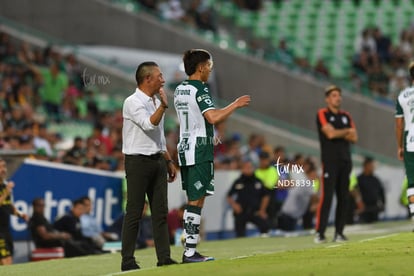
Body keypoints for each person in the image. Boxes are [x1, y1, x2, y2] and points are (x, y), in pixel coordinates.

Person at [174, 49, 251, 263]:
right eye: (209, 66)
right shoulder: (200, 88)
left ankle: (189, 245)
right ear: (200, 67)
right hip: (199, 148)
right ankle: (189, 250)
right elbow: (212, 116)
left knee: (194, 199)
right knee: (196, 200)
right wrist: (235, 104)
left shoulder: (180, 89)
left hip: (185, 146)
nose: (210, 69)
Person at [121, 61, 177, 271]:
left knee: (160, 212)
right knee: (134, 212)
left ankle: (164, 257)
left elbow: (158, 136)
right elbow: (148, 124)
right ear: (147, 79)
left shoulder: (155, 101)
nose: (163, 80)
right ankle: (127, 260)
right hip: (137, 161)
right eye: (159, 76)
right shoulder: (132, 102)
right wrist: (162, 106)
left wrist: (168, 159)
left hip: (157, 160)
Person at [315, 85, 358, 243]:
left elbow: (354, 137)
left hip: (345, 161)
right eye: (334, 95)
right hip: (330, 161)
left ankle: (339, 232)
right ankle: (320, 233)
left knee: (344, 197)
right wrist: (346, 132)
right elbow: (330, 133)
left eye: (339, 95)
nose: (337, 98)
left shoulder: (346, 115)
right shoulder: (322, 113)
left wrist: (342, 132)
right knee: (327, 197)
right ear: (328, 99)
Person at [227, 160, 270, 237]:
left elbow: (266, 196)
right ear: (242, 169)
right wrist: (235, 205)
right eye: (246, 168)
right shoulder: (238, 181)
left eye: (250, 167)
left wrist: (262, 210)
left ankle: (265, 240)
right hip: (241, 211)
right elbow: (229, 196)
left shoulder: (258, 181)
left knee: (265, 226)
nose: (248, 169)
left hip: (255, 211)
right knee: (239, 232)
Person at [395, 61, 414, 226]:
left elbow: (399, 124)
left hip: (410, 142)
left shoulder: (402, 96)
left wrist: (399, 146)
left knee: (412, 181)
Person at [0, 158, 28, 265]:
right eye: (0, 167)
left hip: (5, 229)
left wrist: (20, 214)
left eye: (4, 166)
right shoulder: (6, 188)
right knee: (5, 260)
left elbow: (8, 205)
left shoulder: (4, 185)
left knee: (8, 259)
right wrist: (7, 191)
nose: (3, 170)